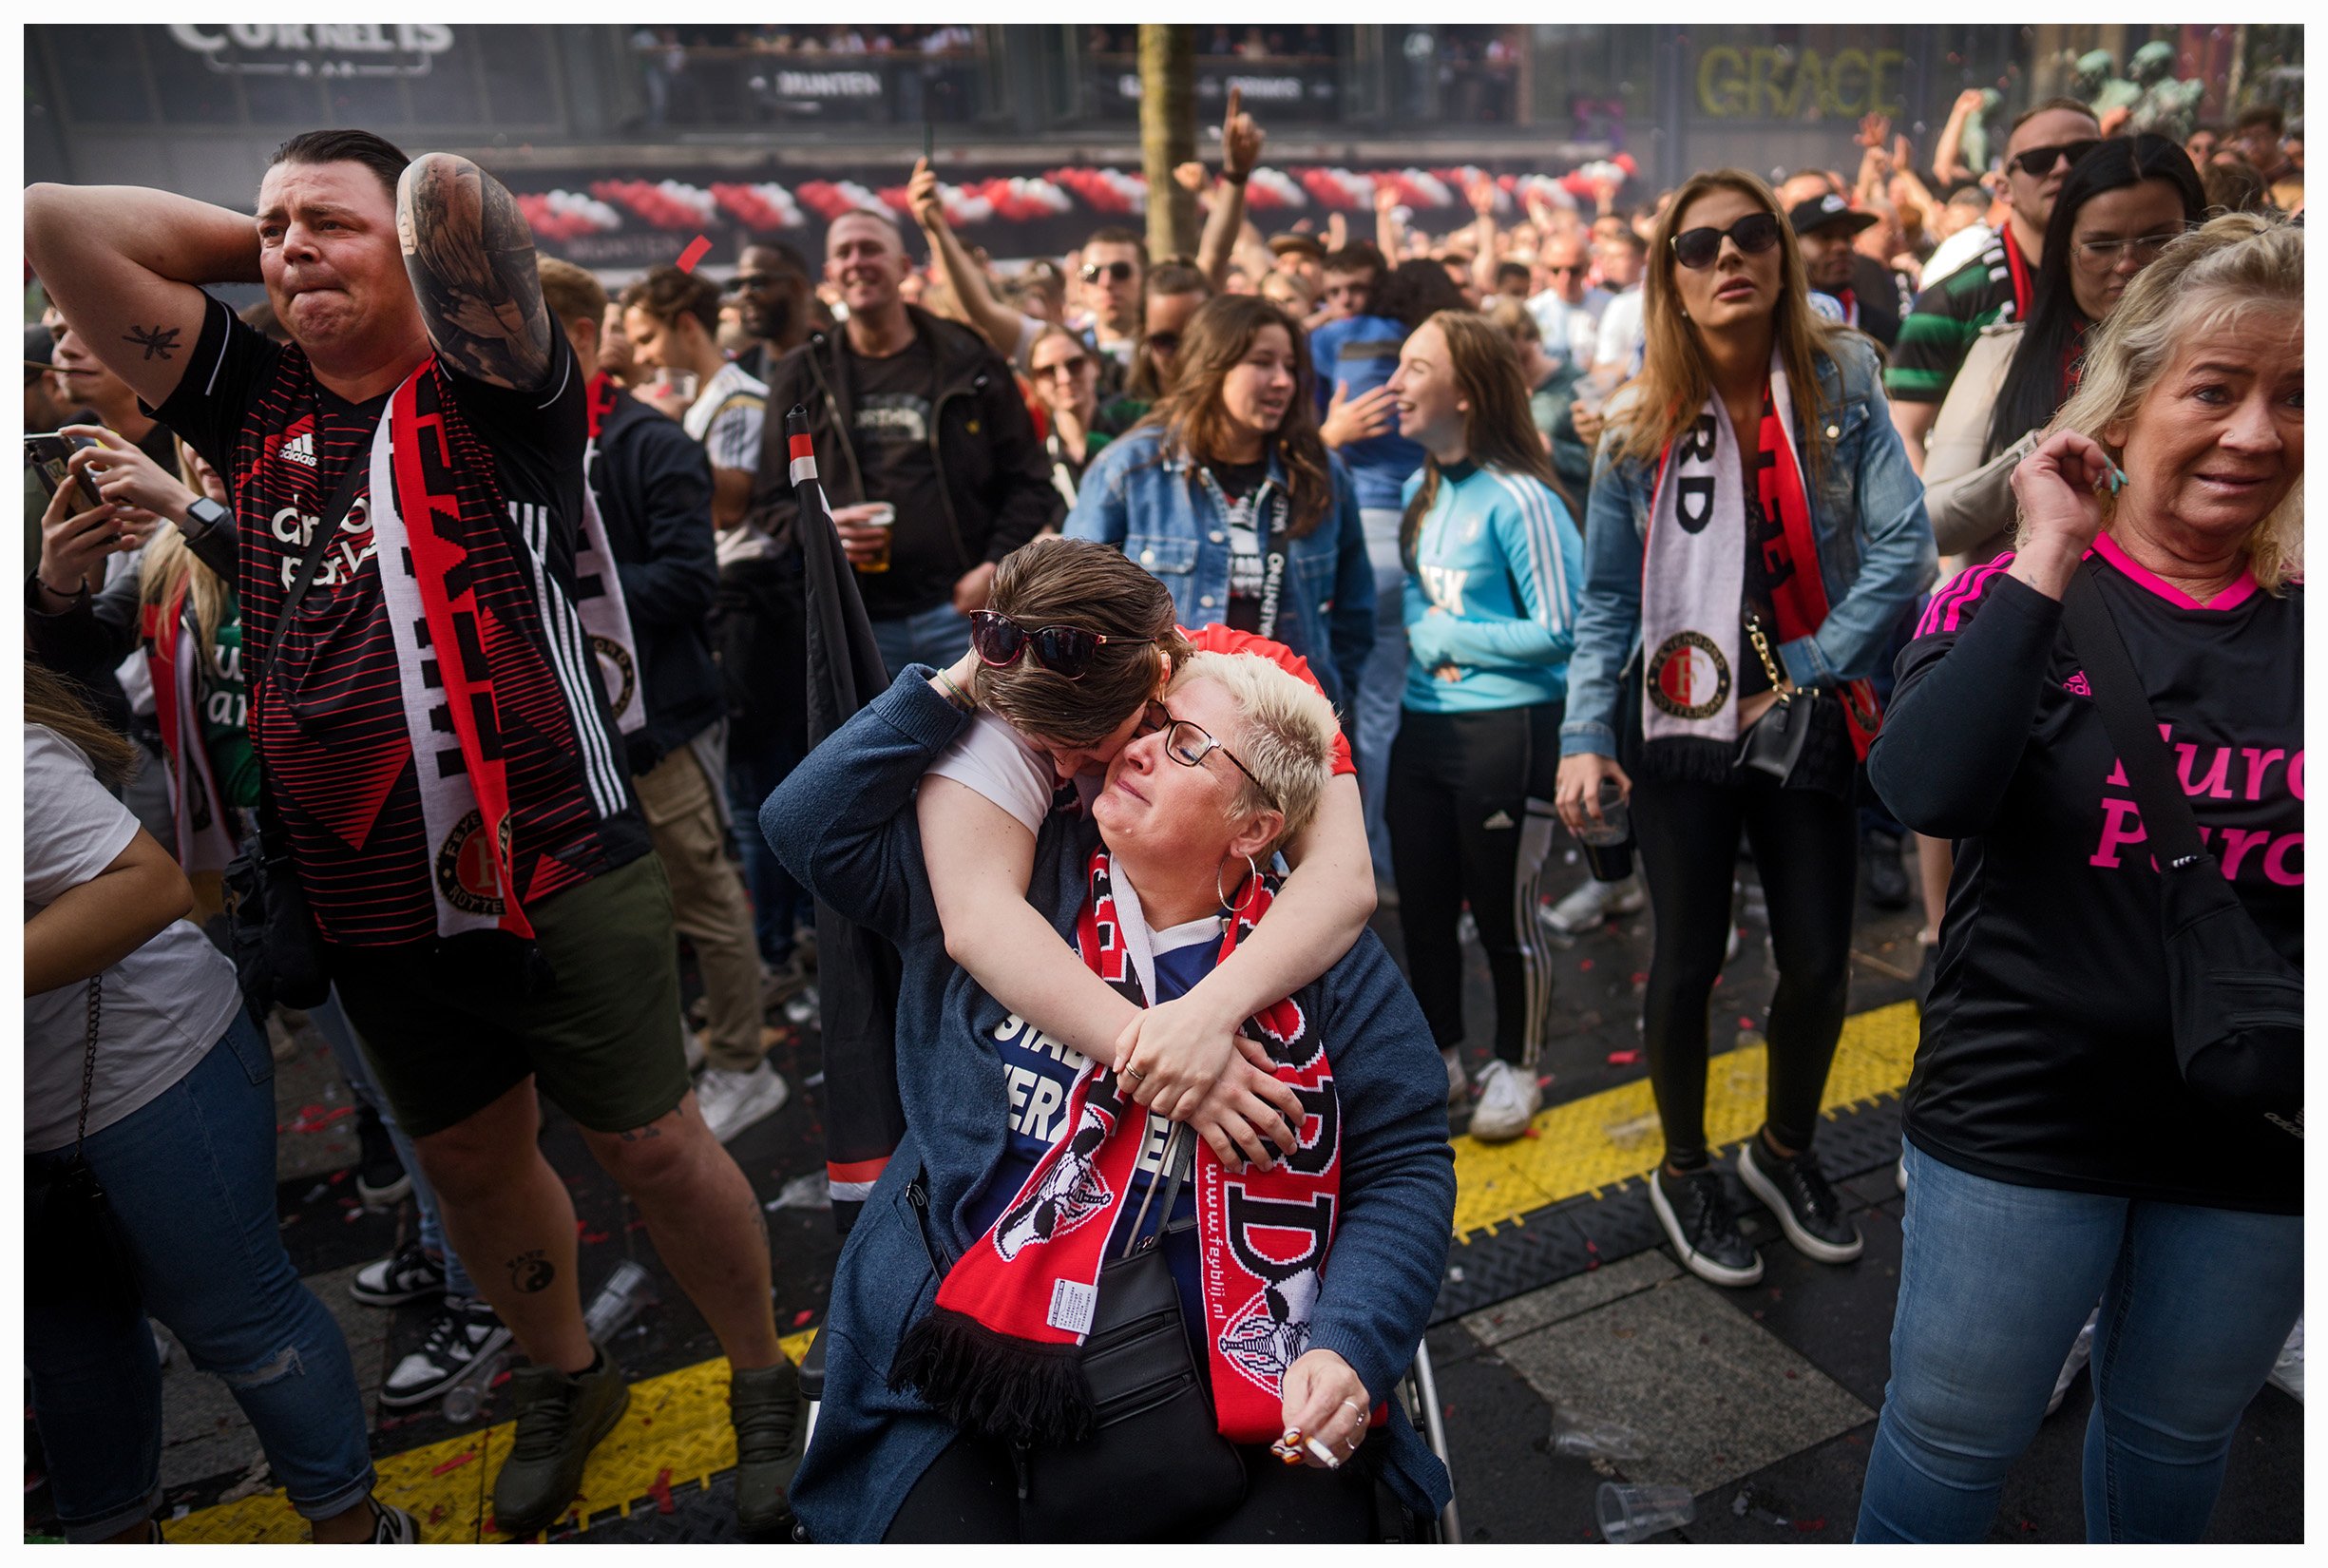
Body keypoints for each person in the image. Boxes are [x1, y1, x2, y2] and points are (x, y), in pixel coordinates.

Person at [25, 128, 805, 1537]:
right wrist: (279, 251)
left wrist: (358, 224)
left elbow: (452, 194)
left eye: (327, 222)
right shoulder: (249, 398)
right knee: (470, 1166)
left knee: (651, 1145)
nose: (286, 248)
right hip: (363, 892)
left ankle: (762, 1380)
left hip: (556, 855)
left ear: (412, 254)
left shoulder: (496, 388)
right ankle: (570, 1376)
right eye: (267, 229)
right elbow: (52, 214)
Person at [762, 639, 1456, 1541]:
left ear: (1254, 827)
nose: (1137, 748)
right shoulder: (1014, 886)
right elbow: (804, 825)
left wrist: (1349, 1344)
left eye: (1188, 747)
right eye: (1153, 725)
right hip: (959, 1362)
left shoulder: (1327, 967)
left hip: (1245, 1373)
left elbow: (1403, 1164)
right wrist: (970, 674)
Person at [1856, 214, 2302, 1544]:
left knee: (2175, 1443)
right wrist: (2047, 552)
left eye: (2293, 397)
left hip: (2253, 1127)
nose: (2254, 434)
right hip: (2018, 1113)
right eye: (2213, 391)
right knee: (1950, 1442)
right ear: (2132, 395)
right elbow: (1923, 789)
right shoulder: (2009, 591)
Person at [1553, 170, 1936, 1290]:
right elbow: (1608, 606)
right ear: (1667, 278)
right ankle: (1683, 1168)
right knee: (1684, 958)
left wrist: (1808, 670)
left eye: (1750, 235)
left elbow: (1903, 552)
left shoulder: (1844, 382)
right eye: (1698, 243)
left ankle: (1782, 1151)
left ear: (1781, 255)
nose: (1729, 257)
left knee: (1817, 960)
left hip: (1802, 710)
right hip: (1676, 719)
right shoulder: (1632, 429)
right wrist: (1584, 734)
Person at [23, 660, 418, 1544]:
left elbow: (149, 885)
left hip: (153, 1082)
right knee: (72, 1356)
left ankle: (355, 1529)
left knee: (240, 1325)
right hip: (37, 1128)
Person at [542, 258, 794, 1143]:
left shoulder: (652, 443)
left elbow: (690, 583)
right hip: (574, 722)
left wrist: (548, 595)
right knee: (630, 898)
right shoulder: (529, 437)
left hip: (663, 720)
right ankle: (697, 1039)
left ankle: (743, 1063)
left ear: (575, 336)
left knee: (704, 893)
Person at [1383, 312, 1585, 1136]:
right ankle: (1446, 1058)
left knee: (1506, 913)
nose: (1393, 383)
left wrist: (1447, 638)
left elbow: (1562, 629)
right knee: (1423, 910)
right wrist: (1433, 635)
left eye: (1414, 367)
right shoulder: (1417, 489)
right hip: (1423, 731)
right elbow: (1412, 597)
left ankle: (1520, 1064)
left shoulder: (1522, 496)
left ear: (1464, 392)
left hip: (1510, 735)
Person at [749, 204, 1059, 679]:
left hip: (962, 614)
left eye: (871, 248)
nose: (857, 262)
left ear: (902, 267)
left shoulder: (966, 358)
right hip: (857, 621)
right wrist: (822, 529)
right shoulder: (802, 374)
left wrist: (995, 565)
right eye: (844, 253)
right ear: (830, 274)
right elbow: (769, 501)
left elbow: (1031, 480)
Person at [1065, 294, 1374, 714]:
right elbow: (1070, 604)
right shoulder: (1132, 470)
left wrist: (1331, 703)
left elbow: (1355, 616)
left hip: (1289, 728)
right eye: (1262, 362)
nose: (1282, 380)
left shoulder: (1322, 475)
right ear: (1213, 366)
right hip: (1165, 725)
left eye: (1289, 366)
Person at [1924, 138, 2204, 573]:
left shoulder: (2241, 375)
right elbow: (1933, 522)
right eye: (2101, 245)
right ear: (2066, 253)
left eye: (2157, 240)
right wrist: (2036, 454)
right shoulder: (2002, 354)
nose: (2128, 264)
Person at [1885, 97, 2103, 471]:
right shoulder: (1954, 299)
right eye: (2039, 161)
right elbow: (1902, 432)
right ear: (2003, 188)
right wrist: (1944, 524)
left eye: (2083, 154)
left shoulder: (2137, 282)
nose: (2063, 168)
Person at [1307, 262, 1432, 877]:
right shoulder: (1423, 341)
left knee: (1351, 710)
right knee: (1386, 708)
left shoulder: (1329, 339)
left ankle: (1365, 859)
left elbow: (1299, 443)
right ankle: (1381, 858)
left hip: (1361, 528)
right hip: (1422, 528)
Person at [620, 264, 767, 532]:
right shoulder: (698, 398)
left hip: (741, 570)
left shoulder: (740, 400)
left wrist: (665, 427)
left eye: (647, 339)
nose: (639, 358)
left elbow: (728, 509)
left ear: (687, 326)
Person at [1788, 194, 1902, 349]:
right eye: (1825, 237)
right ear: (1792, 247)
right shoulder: (1778, 326)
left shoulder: (1885, 330)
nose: (1841, 247)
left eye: (1847, 237)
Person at [1027, 324, 1110, 507]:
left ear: (1094, 366)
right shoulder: (1039, 464)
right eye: (1048, 371)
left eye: (1075, 364)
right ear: (1035, 384)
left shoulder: (1131, 430)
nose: (1064, 378)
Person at [725, 241, 816, 382]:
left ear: (797, 286)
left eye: (757, 283)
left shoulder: (835, 361)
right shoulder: (741, 374)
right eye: (737, 285)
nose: (745, 294)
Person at [1524, 230, 1612, 371]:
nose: (1565, 279)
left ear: (1587, 268)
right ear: (1544, 269)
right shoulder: (1531, 311)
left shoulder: (1609, 307)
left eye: (1574, 270)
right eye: (1556, 270)